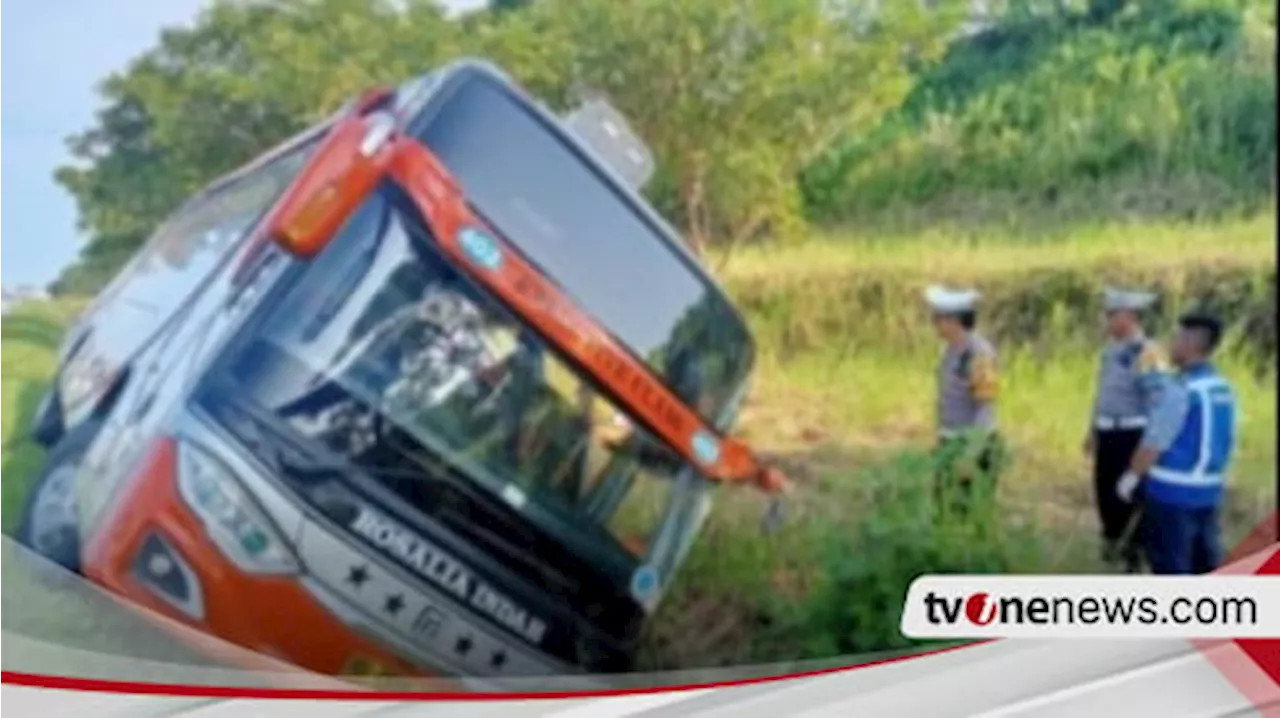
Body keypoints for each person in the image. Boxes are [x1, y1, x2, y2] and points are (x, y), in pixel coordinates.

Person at [1117, 312, 1237, 575]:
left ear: (1189, 343)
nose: (1171, 345)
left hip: (1171, 494)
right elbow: (1227, 440)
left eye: (1175, 338)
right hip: (1208, 492)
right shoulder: (1222, 388)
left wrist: (1131, 477)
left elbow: (1155, 441)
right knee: (1205, 564)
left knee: (1171, 567)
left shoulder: (1181, 389)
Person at [1084, 287, 1167, 572]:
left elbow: (1158, 401)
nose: (1106, 320)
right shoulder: (1110, 351)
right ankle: (1113, 553)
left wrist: (1150, 444)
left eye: (1112, 314)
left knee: (1128, 499)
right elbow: (1102, 394)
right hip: (1107, 433)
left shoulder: (1147, 352)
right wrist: (1092, 429)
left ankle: (1132, 561)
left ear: (1130, 316)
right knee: (1104, 496)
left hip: (1131, 435)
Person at [925, 285, 1005, 519]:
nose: (935, 325)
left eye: (938, 318)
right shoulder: (950, 350)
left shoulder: (979, 354)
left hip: (972, 444)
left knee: (969, 513)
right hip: (951, 440)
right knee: (944, 511)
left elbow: (985, 406)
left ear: (953, 320)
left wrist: (970, 453)